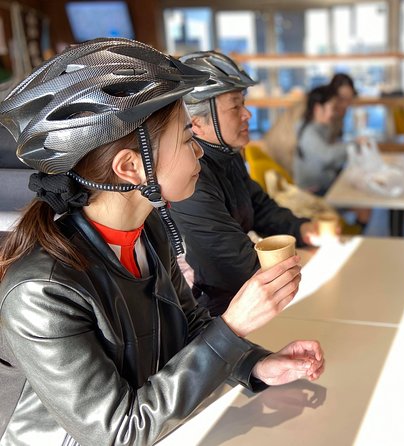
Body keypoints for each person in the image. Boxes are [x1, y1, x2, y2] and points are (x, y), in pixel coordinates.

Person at [0, 38, 324, 445]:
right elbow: (120, 431)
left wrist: (255, 366)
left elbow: (189, 326)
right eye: (189, 140)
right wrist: (234, 325)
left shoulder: (148, 230)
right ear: (131, 168)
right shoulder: (40, 292)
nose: (200, 156)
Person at [169, 51, 322, 316]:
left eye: (244, 104)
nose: (247, 114)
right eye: (235, 107)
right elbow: (231, 260)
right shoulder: (189, 179)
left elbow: (259, 206)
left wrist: (302, 228)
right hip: (213, 312)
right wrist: (305, 262)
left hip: (247, 294)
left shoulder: (226, 154)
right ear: (196, 124)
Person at [293, 85, 348, 196]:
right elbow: (327, 156)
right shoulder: (309, 133)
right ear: (318, 108)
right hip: (312, 190)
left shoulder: (321, 127)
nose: (335, 113)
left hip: (322, 183)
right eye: (333, 108)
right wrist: (352, 146)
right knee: (359, 202)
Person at [328, 73, 357, 143]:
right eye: (341, 100)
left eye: (349, 100)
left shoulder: (339, 116)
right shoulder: (323, 117)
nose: (345, 105)